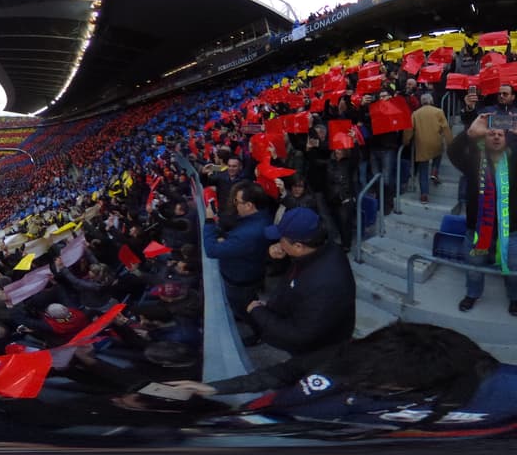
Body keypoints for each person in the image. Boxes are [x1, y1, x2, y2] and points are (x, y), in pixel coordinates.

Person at [165, 323, 517, 436]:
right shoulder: (350, 355)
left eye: (374, 385)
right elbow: (283, 373)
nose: (357, 381)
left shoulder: (500, 393)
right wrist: (215, 388)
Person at [248, 208, 355, 355]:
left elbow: (299, 333)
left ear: (298, 246)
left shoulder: (323, 285)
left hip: (316, 352)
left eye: (281, 238)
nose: (278, 242)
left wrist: (258, 312)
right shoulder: (324, 250)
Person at [447, 114, 517, 315]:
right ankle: (473, 294)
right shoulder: (473, 160)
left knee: (513, 270)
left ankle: (514, 298)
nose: (496, 137)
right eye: (491, 133)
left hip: (510, 230)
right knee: (474, 268)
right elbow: (453, 152)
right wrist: (469, 133)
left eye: (500, 134)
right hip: (477, 229)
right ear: (484, 139)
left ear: (506, 139)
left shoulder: (515, 160)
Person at [203, 181, 274, 318]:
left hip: (240, 281)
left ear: (249, 205)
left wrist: (209, 222)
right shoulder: (263, 215)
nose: (235, 204)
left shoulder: (248, 235)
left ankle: (252, 327)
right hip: (252, 270)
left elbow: (211, 250)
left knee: (244, 309)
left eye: (237, 201)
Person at [409, 93, 451, 203]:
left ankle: (424, 195)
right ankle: (435, 171)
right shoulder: (438, 111)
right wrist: (450, 142)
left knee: (423, 170)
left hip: (421, 144)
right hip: (436, 141)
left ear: (421, 102)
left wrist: (406, 141)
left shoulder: (415, 114)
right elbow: (445, 128)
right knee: (438, 153)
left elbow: (409, 130)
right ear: (431, 101)